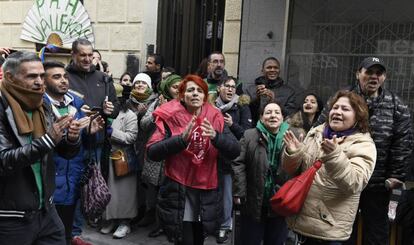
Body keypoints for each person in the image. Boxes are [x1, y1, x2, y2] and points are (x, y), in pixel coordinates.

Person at [316, 57, 413, 245]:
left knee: (376, 232)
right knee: (342, 232)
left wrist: (396, 175)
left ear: (384, 77)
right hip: (343, 179)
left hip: (378, 184)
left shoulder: (396, 105)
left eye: (378, 73)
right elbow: (320, 129)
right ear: (358, 74)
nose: (373, 77)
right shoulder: (341, 100)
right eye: (369, 72)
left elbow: (403, 143)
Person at [146, 74, 240, 245]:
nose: (195, 94)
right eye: (190, 90)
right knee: (185, 239)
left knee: (199, 238)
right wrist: (180, 140)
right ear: (182, 95)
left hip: (207, 188)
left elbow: (235, 150)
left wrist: (216, 137)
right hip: (179, 187)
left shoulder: (215, 117)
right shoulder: (169, 114)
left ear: (205, 96)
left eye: (199, 90)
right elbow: (152, 152)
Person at [0, 51, 81, 244]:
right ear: (10, 77)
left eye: (41, 76)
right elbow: (3, 160)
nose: (39, 82)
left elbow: (61, 151)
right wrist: (48, 140)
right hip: (11, 217)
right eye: (31, 76)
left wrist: (71, 139)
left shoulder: (41, 103)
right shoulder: (2, 106)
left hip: (46, 211)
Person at [282, 90, 377, 244]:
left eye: (345, 109)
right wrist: (294, 153)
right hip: (298, 224)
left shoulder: (363, 144)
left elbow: (355, 183)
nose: (338, 112)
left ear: (357, 117)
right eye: (335, 107)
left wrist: (335, 156)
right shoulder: (316, 132)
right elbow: (292, 170)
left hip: (328, 230)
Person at [42, 60, 104, 245]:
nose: (63, 81)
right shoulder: (40, 105)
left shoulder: (76, 102)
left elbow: (85, 142)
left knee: (67, 232)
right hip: (51, 179)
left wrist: (89, 132)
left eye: (65, 76)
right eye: (56, 77)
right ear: (44, 82)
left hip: (73, 176)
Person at [66, 38, 119, 244]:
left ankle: (77, 231)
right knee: (70, 186)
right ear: (74, 55)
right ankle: (71, 231)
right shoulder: (64, 76)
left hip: (96, 142)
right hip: (71, 142)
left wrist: (109, 110)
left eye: (90, 54)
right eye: (83, 55)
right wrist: (78, 110)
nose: (88, 59)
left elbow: (115, 105)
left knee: (89, 186)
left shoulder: (104, 78)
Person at [232, 102, 299, 245]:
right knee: (250, 240)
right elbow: (238, 163)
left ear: (282, 117)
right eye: (268, 112)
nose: (273, 115)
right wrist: (239, 191)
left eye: (277, 112)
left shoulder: (294, 135)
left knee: (276, 240)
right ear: (261, 118)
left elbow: (300, 165)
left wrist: (294, 153)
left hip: (281, 200)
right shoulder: (249, 135)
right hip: (253, 200)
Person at [140, 73, 182, 238]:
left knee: (171, 192)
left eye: (181, 86)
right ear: (167, 88)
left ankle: (169, 225)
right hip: (157, 151)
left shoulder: (186, 104)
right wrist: (159, 111)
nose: (178, 89)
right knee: (154, 191)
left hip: (176, 153)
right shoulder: (158, 101)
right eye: (174, 86)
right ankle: (157, 222)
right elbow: (144, 124)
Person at [215, 76, 252, 243]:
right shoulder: (211, 106)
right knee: (212, 193)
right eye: (227, 86)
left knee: (227, 195)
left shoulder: (242, 107)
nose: (230, 89)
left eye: (233, 87)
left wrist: (231, 125)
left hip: (232, 158)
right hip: (212, 156)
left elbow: (247, 134)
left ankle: (224, 226)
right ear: (219, 88)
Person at [100, 83, 139, 239]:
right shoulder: (105, 113)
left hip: (122, 158)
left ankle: (125, 222)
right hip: (106, 156)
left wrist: (112, 132)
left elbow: (131, 137)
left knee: (124, 194)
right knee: (110, 192)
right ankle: (111, 220)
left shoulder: (129, 115)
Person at [127, 72, 158, 227]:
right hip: (131, 146)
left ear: (149, 86)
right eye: (137, 82)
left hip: (148, 145)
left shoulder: (155, 101)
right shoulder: (128, 101)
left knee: (148, 182)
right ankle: (136, 210)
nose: (140, 85)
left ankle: (149, 212)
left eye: (143, 83)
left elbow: (149, 124)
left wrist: (142, 114)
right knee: (135, 181)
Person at [246, 57, 297, 124]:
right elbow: (247, 114)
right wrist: (257, 99)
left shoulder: (289, 92)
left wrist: (274, 101)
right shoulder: (251, 90)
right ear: (262, 71)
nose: (272, 70)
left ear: (279, 71)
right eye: (269, 67)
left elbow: (290, 116)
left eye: (276, 68)